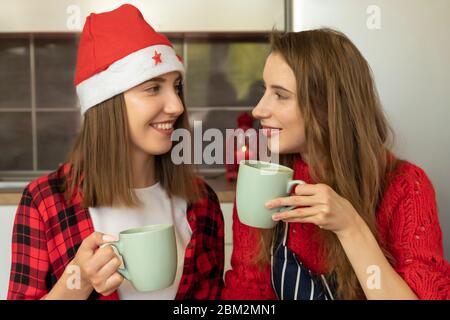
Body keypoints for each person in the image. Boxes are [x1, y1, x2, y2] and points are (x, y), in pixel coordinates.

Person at [8, 4, 224, 300]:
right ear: (105, 103)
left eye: (177, 87)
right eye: (152, 88)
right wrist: (78, 281)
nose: (176, 106)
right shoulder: (44, 203)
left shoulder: (201, 202)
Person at [222, 29, 450, 300]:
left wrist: (350, 227)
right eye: (265, 91)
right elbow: (247, 293)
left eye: (280, 95)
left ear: (327, 106)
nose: (258, 110)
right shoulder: (262, 181)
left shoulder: (405, 187)